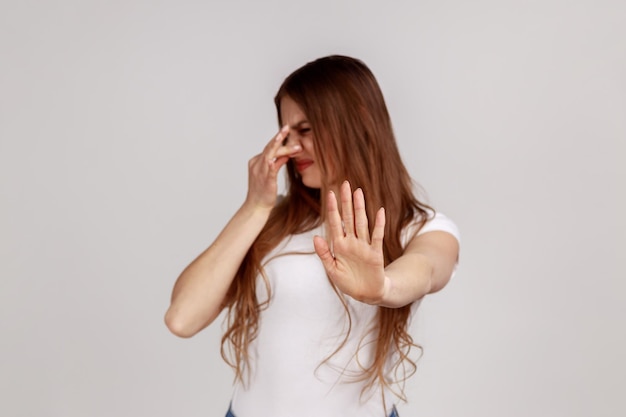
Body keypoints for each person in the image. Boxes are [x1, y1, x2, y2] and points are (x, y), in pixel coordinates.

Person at [164, 55, 460, 417]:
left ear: (358, 122)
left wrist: (382, 288)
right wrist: (255, 207)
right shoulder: (271, 223)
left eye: (305, 131)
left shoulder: (420, 227)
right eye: (286, 134)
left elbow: (427, 269)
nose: (292, 148)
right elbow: (182, 317)